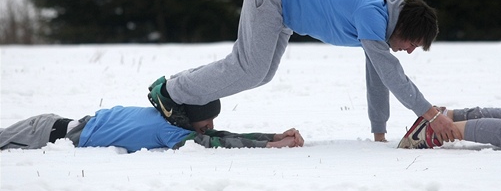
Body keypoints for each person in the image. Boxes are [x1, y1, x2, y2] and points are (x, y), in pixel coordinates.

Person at [147, 0, 461, 143]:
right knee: (249, 67)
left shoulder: (377, 20)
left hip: (284, 2)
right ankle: (172, 92)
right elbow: (392, 74)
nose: (409, 51)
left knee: (262, 73)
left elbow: (378, 72)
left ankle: (184, 95)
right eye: (413, 44)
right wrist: (432, 116)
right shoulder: (371, 10)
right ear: (404, 29)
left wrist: (379, 132)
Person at [0, 99, 304, 152]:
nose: (210, 126)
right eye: (208, 120)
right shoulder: (170, 130)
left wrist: (274, 136)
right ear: (194, 115)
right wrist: (271, 145)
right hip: (43, 133)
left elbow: (218, 136)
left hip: (51, 125)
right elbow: (217, 143)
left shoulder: (170, 118)